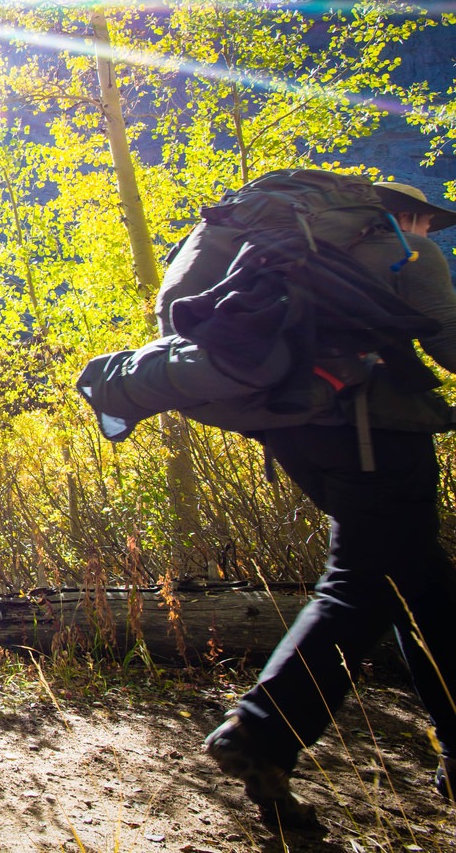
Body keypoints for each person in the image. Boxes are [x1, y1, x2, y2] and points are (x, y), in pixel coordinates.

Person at [204, 180, 456, 826]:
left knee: (421, 585)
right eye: (430, 222)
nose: (431, 234)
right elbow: (452, 347)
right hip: (377, 436)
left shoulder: (282, 256)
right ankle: (261, 731)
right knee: (361, 585)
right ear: (407, 216)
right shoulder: (410, 252)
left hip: (296, 432)